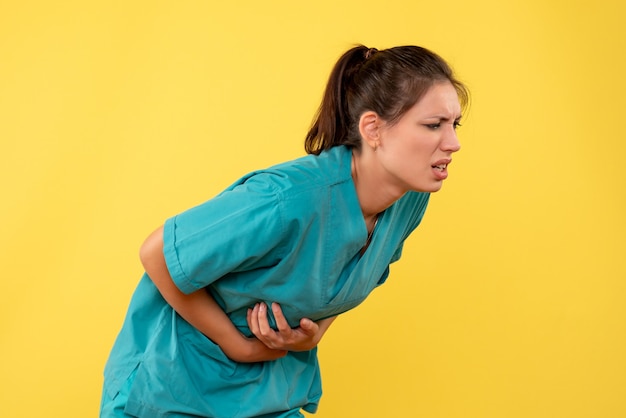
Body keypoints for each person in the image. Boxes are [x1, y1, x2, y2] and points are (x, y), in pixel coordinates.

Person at [101, 44, 469, 417]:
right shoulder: (287, 198)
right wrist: (238, 345)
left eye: (454, 124)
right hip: (170, 387)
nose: (452, 143)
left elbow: (347, 276)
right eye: (432, 125)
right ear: (372, 129)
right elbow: (158, 254)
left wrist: (315, 331)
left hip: (269, 391)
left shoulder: (408, 200)